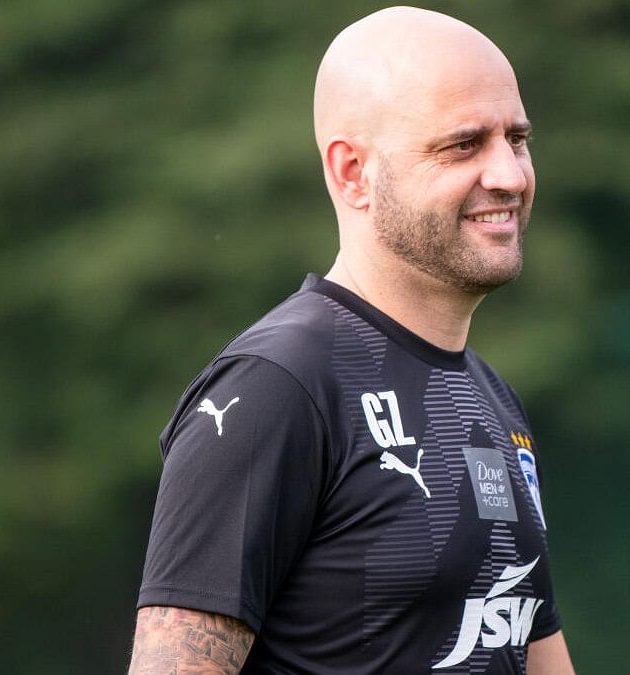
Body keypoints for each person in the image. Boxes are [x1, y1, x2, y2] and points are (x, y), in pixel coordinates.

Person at [127, 6, 576, 675]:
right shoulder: (277, 387)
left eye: (516, 138)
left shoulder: (492, 400)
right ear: (352, 171)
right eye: (462, 144)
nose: (509, 174)